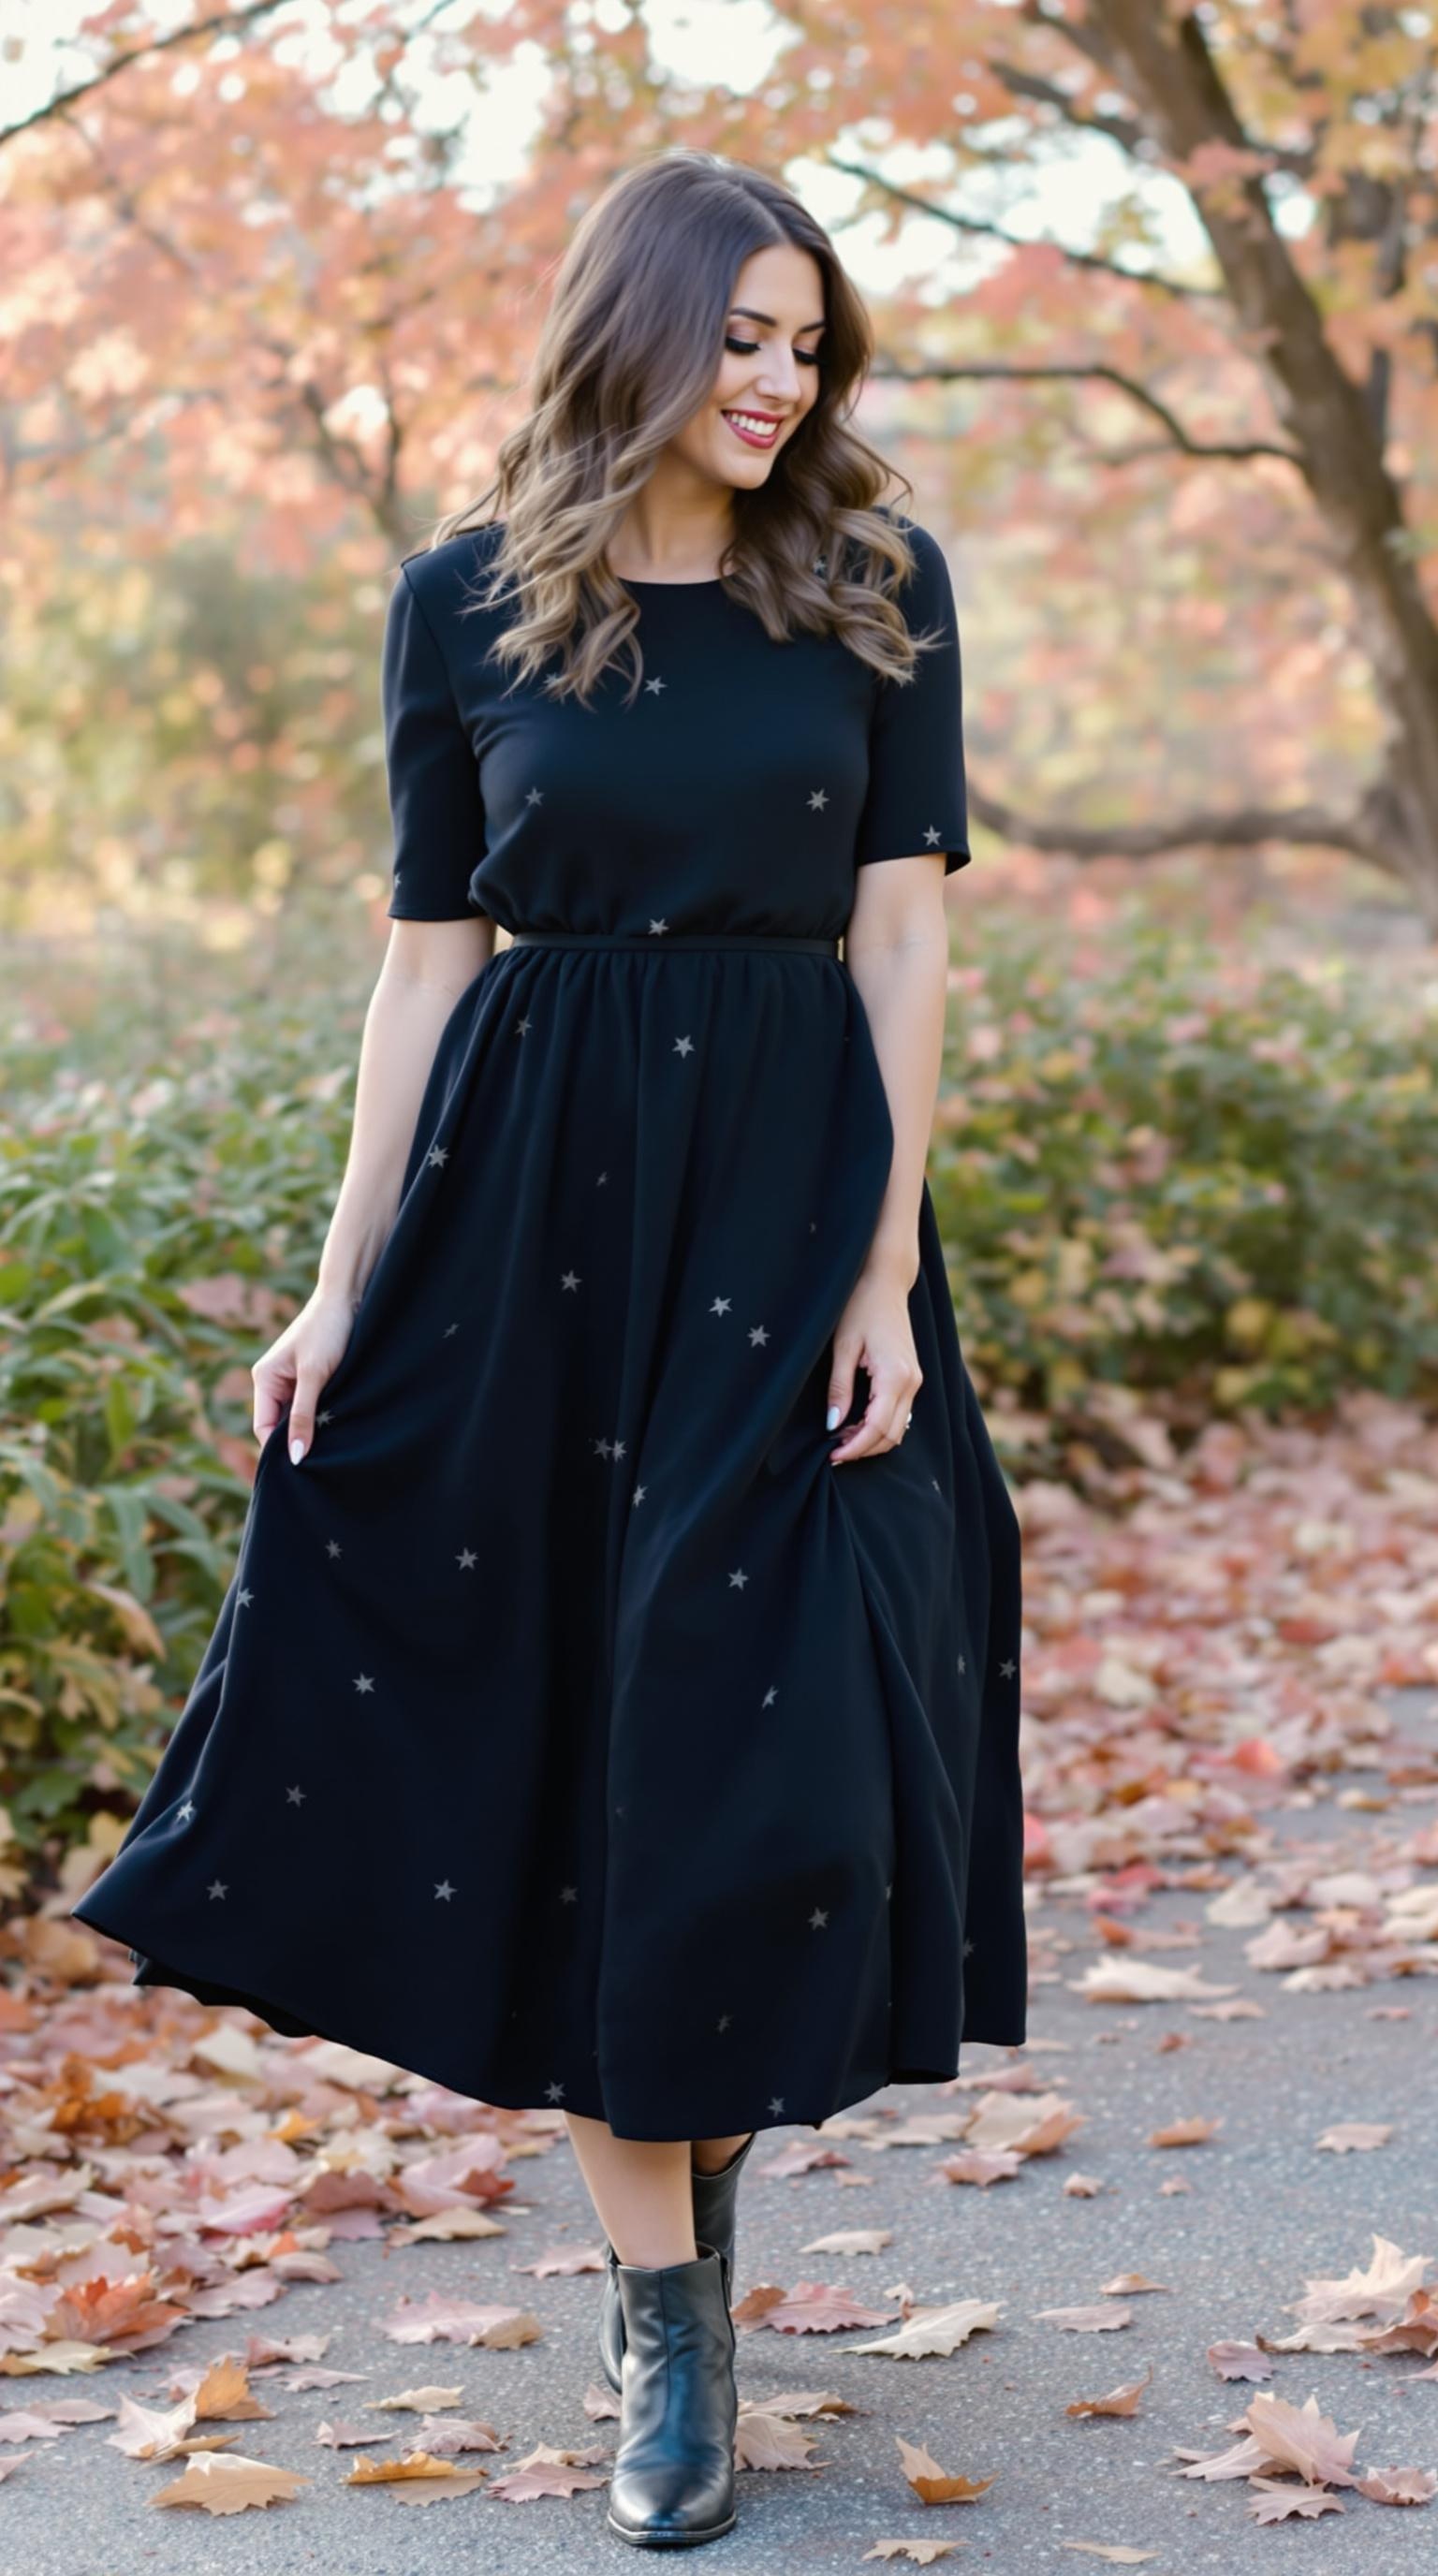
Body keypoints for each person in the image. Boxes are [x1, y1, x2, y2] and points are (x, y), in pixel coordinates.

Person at [70, 145, 1027, 2548]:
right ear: (642, 329)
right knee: (599, 1756)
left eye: (810, 344)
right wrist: (332, 1285)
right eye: (743, 336)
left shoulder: (875, 594)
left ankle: (687, 2211)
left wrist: (887, 1269)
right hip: (531, 1233)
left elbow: (903, 948)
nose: (780, 380)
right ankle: (667, 2325)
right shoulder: (467, 605)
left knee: (770, 1751)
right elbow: (423, 974)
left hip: (796, 1214)